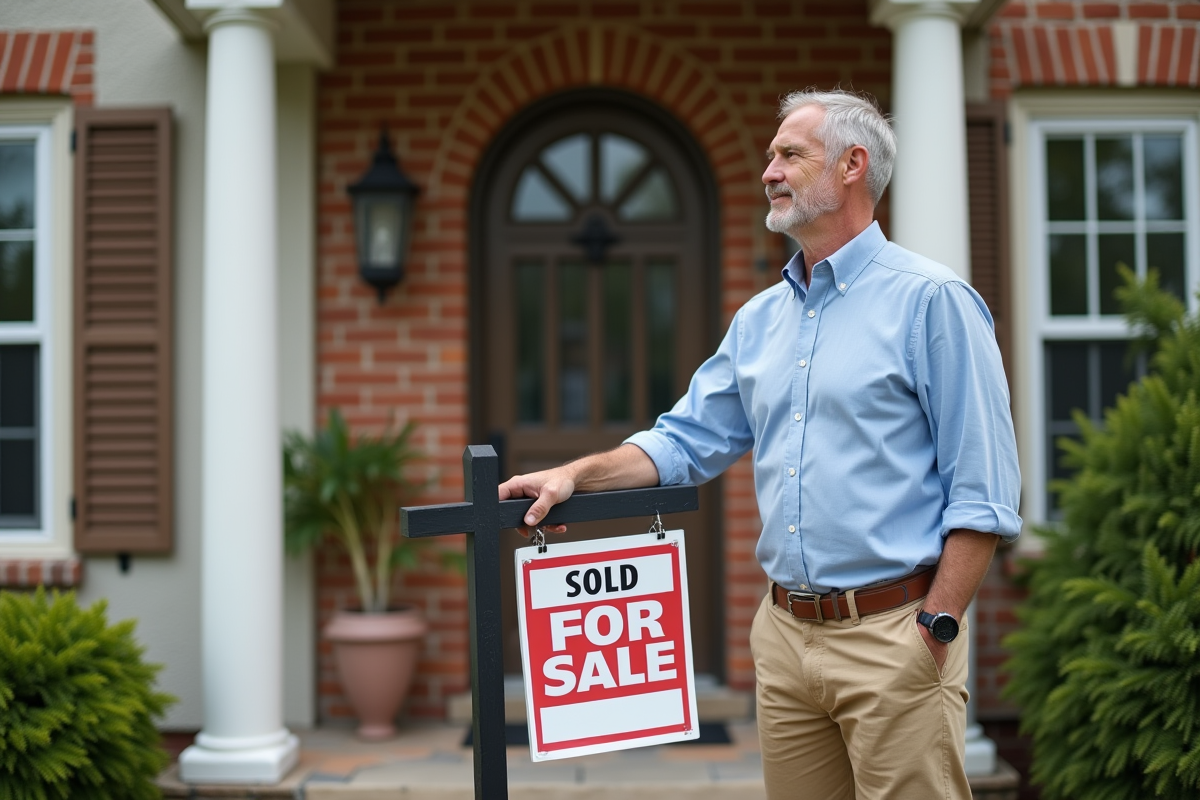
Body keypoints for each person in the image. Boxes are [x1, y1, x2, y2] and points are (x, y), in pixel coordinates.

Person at [497, 88, 1021, 800]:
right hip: (784, 637)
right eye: (769, 155)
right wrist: (575, 476)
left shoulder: (932, 302)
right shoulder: (760, 320)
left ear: (851, 166)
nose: (768, 170)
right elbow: (683, 441)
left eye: (789, 154)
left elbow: (983, 493)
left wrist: (935, 627)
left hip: (895, 634)